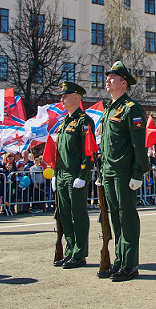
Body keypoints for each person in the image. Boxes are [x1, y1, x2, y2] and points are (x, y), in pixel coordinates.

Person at [98, 61, 150, 281]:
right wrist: (101, 171)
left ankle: (130, 264)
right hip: (109, 171)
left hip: (125, 172)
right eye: (107, 76)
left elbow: (139, 144)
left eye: (113, 77)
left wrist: (139, 172)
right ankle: (119, 261)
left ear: (124, 82)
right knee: (116, 218)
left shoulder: (132, 108)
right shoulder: (108, 109)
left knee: (127, 217)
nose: (108, 80)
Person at [53, 82, 95, 269]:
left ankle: (79, 253)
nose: (62, 99)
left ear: (76, 97)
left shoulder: (84, 121)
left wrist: (83, 173)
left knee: (78, 215)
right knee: (64, 215)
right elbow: (59, 152)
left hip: (75, 175)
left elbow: (89, 151)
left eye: (65, 96)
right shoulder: (63, 122)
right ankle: (69, 250)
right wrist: (55, 174)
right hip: (62, 174)